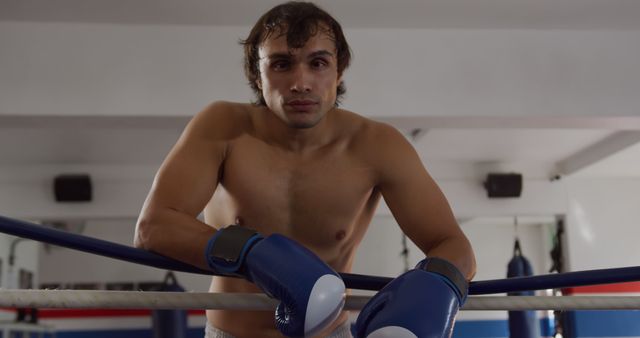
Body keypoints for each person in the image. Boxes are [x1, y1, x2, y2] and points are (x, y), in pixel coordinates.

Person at [134, 2, 476, 337]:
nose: (301, 82)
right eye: (282, 64)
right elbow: (153, 228)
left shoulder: (377, 145)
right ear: (257, 73)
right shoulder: (223, 127)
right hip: (233, 332)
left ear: (338, 70)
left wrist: (436, 285)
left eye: (318, 63)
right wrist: (250, 253)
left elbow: (454, 246)